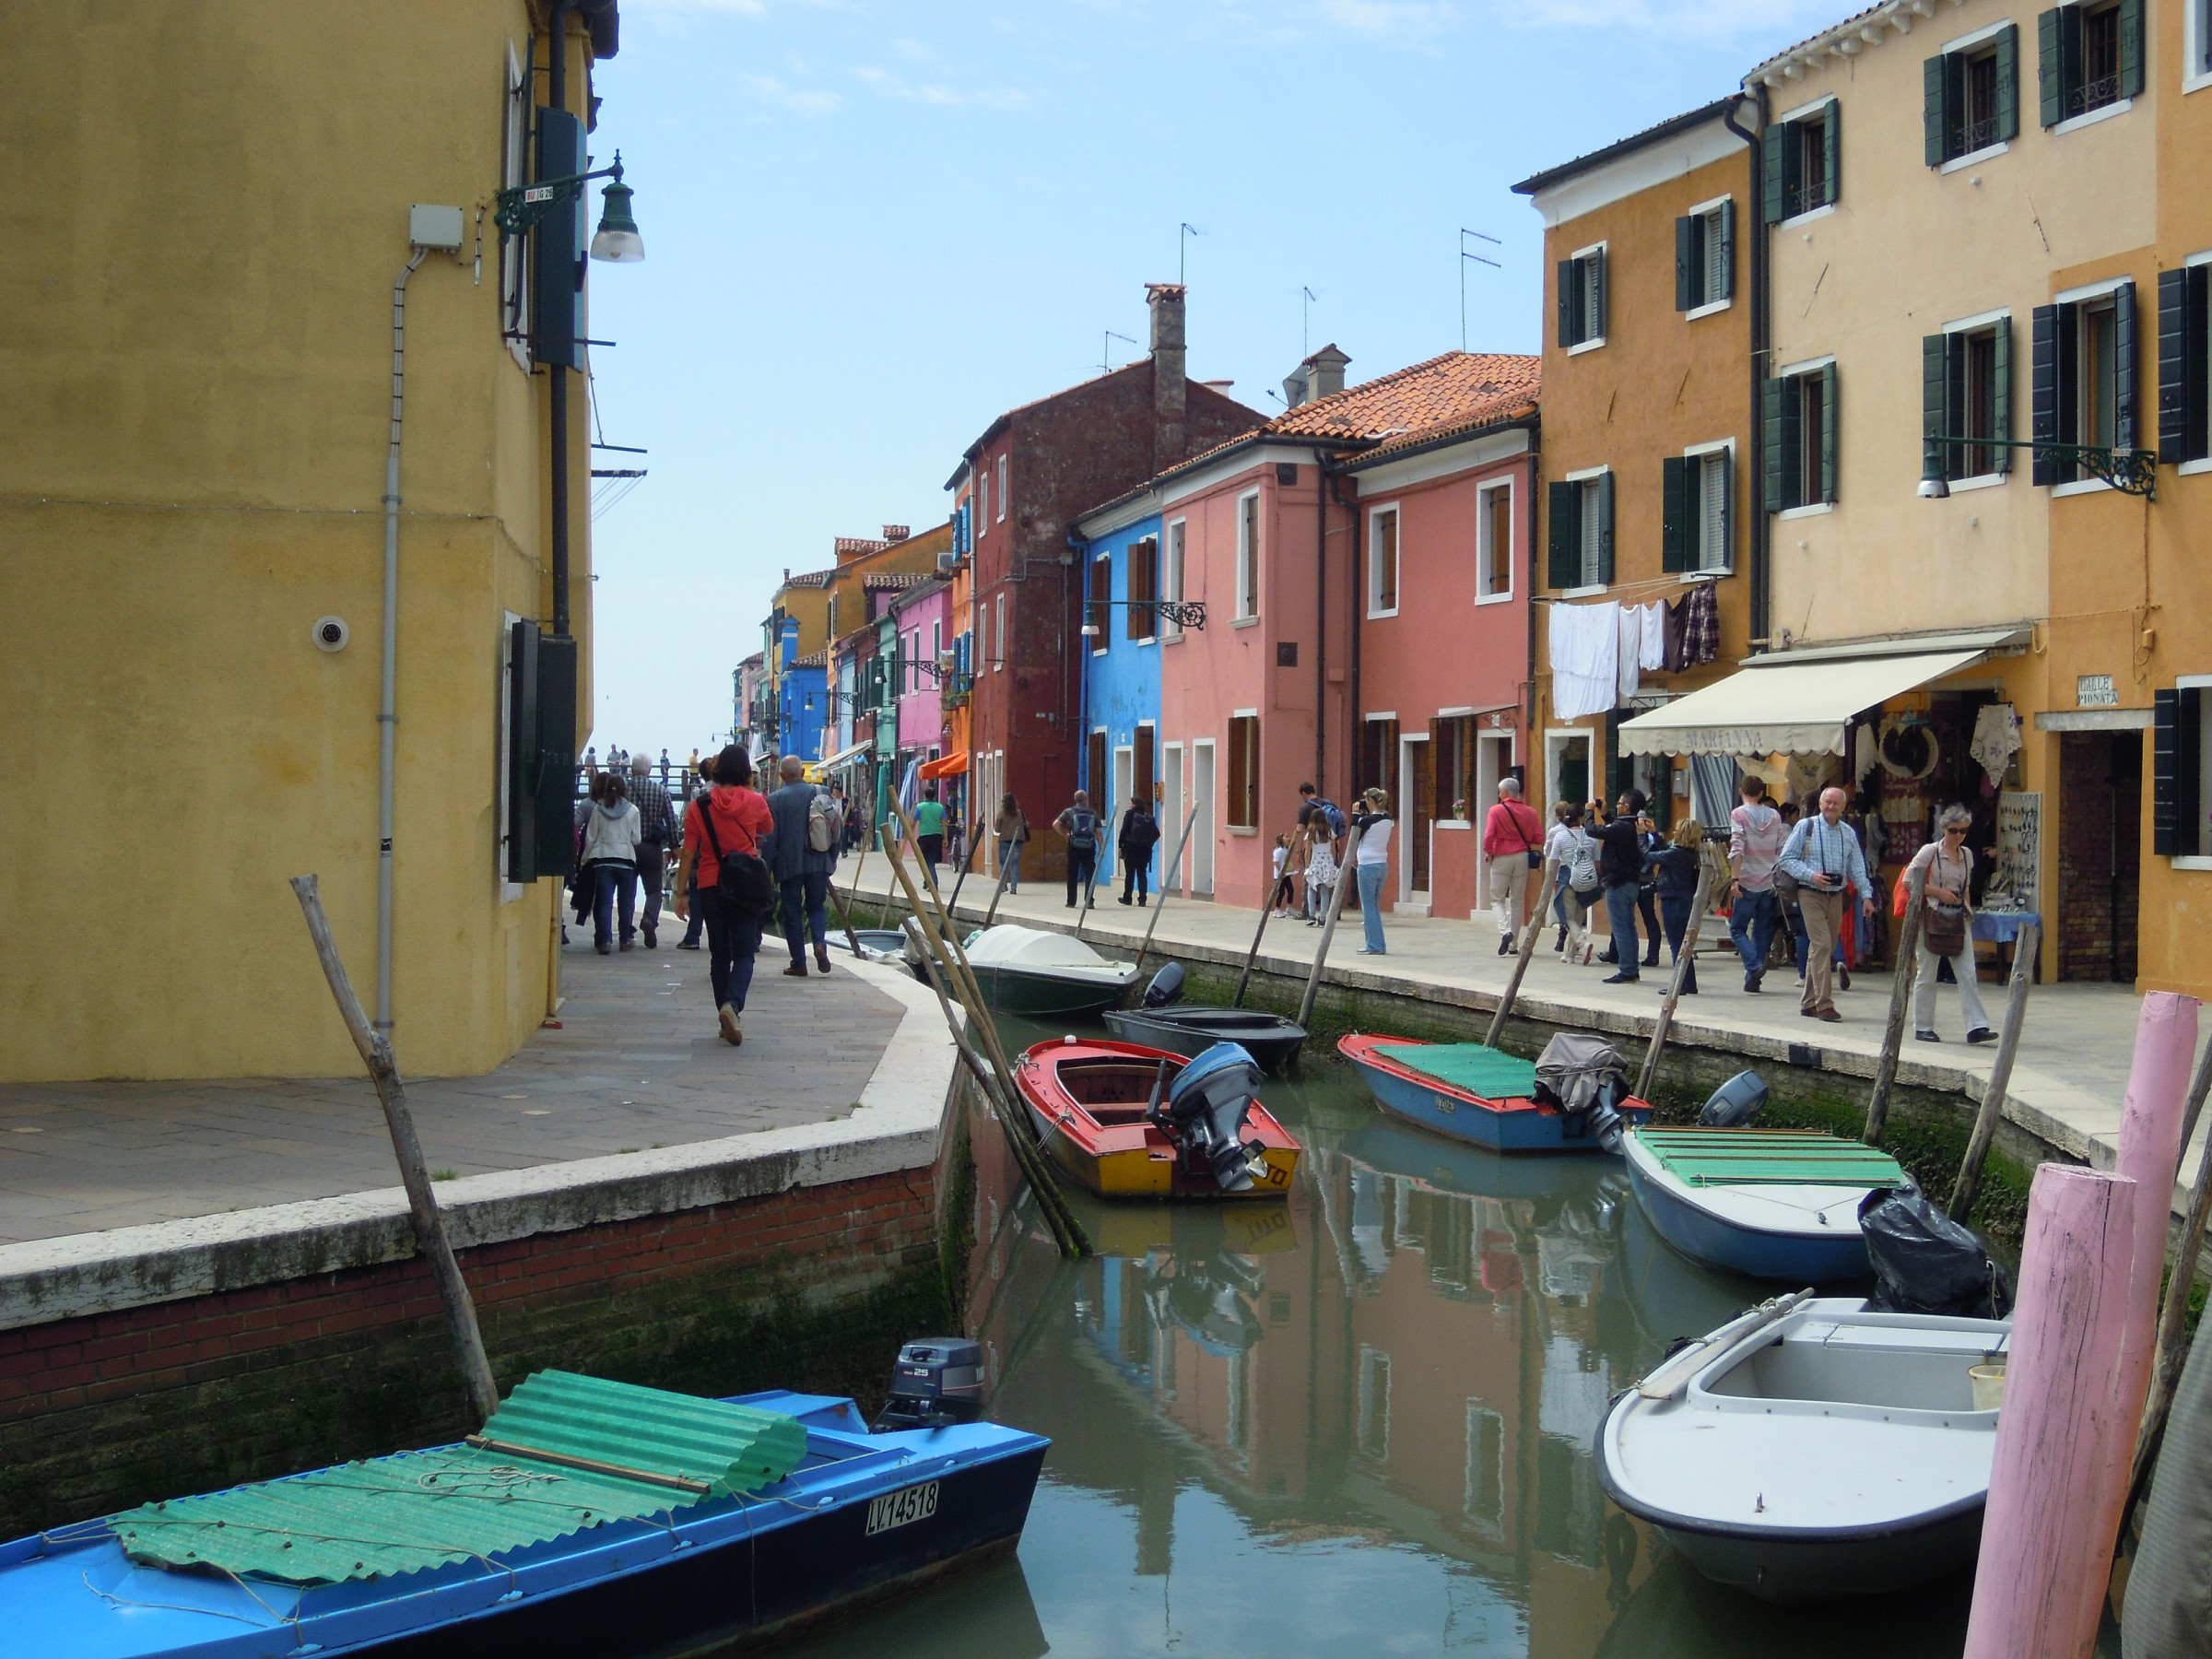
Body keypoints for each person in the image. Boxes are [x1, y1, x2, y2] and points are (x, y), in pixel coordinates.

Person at [672, 746, 775, 1047]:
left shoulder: (698, 806)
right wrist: (752, 791)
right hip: (743, 884)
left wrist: (681, 893)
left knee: (719, 955)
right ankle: (733, 1005)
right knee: (744, 954)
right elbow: (767, 827)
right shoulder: (755, 801)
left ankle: (724, 1013)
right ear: (746, 771)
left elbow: (689, 851)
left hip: (710, 885)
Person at [1777, 785, 1872, 1023]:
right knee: (1821, 944)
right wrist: (1811, 875)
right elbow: (1786, 859)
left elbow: (1857, 866)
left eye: (1835, 803)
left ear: (1843, 807)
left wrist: (1867, 896)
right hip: (1810, 893)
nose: (1831, 806)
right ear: (1820, 804)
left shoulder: (1848, 833)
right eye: (1827, 802)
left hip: (1836, 895)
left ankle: (1808, 1002)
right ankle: (1825, 1004)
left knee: (1823, 949)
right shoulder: (1805, 827)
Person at [1908, 805, 1996, 1044]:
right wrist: (1939, 892)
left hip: (1958, 918)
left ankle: (1977, 1026)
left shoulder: (1967, 854)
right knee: (1927, 973)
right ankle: (1923, 1025)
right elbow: (1908, 880)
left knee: (1967, 972)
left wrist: (1967, 911)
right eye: (1953, 830)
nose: (1957, 835)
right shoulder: (1930, 852)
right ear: (1943, 829)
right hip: (1932, 916)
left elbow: (1966, 887)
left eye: (1963, 831)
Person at [767, 756, 839, 978]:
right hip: (818, 860)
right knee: (816, 907)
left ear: (781, 776)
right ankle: (819, 943)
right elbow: (836, 827)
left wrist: (767, 869)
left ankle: (798, 962)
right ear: (802, 773)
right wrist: (832, 857)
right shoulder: (822, 793)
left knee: (792, 913)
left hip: (789, 866)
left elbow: (771, 838)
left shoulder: (774, 800)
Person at [1726, 775, 1786, 993]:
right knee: (1762, 930)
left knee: (1737, 929)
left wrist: (1735, 879)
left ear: (1741, 791)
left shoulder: (1738, 814)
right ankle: (1753, 979)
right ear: (1761, 793)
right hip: (1769, 880)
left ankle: (1754, 965)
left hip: (1747, 880)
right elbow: (1781, 847)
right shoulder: (1774, 815)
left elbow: (1737, 847)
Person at [1587, 790, 1649, 983]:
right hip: (1632, 882)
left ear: (1627, 807)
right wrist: (1605, 815)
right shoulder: (1632, 825)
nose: (1617, 805)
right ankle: (1631, 967)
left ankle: (1627, 969)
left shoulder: (1622, 827)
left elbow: (1593, 830)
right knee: (1629, 927)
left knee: (1621, 928)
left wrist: (1590, 812)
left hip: (1618, 882)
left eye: (1620, 803)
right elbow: (1613, 828)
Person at [578, 772, 642, 955]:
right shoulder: (633, 811)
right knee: (625, 902)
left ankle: (605, 941)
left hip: (603, 859)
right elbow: (637, 839)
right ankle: (625, 940)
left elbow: (591, 837)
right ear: (624, 790)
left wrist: (584, 860)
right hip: (626, 860)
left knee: (605, 902)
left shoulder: (598, 810)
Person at [1481, 777, 1545, 957]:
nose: (1499, 794)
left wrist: (1489, 851)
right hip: (1523, 857)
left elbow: (1488, 836)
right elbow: (1539, 838)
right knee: (1517, 901)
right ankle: (1514, 944)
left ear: (1506, 792)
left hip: (1501, 857)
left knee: (1497, 899)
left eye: (1500, 791)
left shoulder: (1496, 810)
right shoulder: (1531, 812)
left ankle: (1505, 931)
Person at [1648, 819, 1705, 994]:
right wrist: (1655, 834)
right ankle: (1690, 984)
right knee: (1684, 944)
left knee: (1676, 944)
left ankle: (1678, 985)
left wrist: (1642, 837)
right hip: (1686, 900)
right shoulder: (1690, 853)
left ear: (1682, 834)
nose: (1674, 832)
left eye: (1677, 830)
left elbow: (1650, 856)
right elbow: (1665, 849)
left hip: (1674, 900)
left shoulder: (1677, 854)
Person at [628, 754, 677, 950]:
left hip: (627, 847)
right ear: (649, 770)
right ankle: (649, 919)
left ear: (632, 769)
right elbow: (671, 822)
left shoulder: (623, 790)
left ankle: (626, 930)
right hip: (651, 846)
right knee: (654, 890)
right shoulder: (661, 791)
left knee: (627, 891)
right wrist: (674, 847)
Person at [1545, 803, 1596, 962]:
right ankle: (1569, 955)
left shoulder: (1560, 836)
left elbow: (1553, 862)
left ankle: (1583, 943)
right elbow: (1598, 862)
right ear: (1581, 818)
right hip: (1587, 879)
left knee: (1567, 917)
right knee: (1578, 918)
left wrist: (1550, 882)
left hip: (1567, 878)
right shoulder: (1591, 837)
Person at [1350, 788, 1394, 955]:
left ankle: (1374, 945)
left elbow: (1354, 836)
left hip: (1367, 865)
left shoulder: (1366, 821)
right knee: (1373, 906)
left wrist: (1355, 815)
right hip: (1382, 864)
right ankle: (1377, 943)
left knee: (1368, 907)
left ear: (1369, 801)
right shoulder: (1388, 819)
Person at [676, 755, 712, 950]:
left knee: (697, 893)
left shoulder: (698, 794)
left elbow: (689, 823)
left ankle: (693, 935)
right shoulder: (732, 792)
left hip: (700, 850)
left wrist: (680, 892)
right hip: (726, 853)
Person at [1054, 790, 1101, 908]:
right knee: (1089, 873)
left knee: (1072, 874)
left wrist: (1065, 834)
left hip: (1074, 846)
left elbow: (1055, 824)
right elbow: (1098, 832)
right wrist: (1101, 847)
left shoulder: (1069, 812)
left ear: (1076, 799)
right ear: (1086, 799)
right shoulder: (1093, 813)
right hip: (1089, 847)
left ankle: (1071, 901)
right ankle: (1089, 901)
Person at [1118, 795, 1160, 906]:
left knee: (1130, 875)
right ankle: (1142, 899)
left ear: (1135, 805)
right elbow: (1157, 834)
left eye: (1131, 803)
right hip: (1145, 850)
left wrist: (1120, 846)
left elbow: (1123, 831)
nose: (1129, 805)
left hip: (1130, 849)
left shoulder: (1129, 815)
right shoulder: (1148, 817)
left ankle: (1127, 898)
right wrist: (1149, 843)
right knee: (1142, 874)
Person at [1304, 809, 1341, 926]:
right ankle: (1323, 918)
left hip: (1315, 861)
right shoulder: (1329, 831)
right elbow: (1334, 848)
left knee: (1311, 888)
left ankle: (1311, 915)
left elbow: (1307, 851)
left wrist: (1307, 865)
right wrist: (1333, 862)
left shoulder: (1311, 832)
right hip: (1327, 860)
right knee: (1325, 891)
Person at [994, 793, 1029, 893]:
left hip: (1004, 841)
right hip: (1018, 841)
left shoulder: (1001, 814)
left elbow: (997, 829)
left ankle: (1003, 885)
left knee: (1003, 863)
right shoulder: (1019, 813)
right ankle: (1014, 887)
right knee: (1015, 864)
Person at [912, 782, 947, 876]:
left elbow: (914, 822)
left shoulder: (920, 807)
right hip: (937, 836)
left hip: (924, 836)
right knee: (931, 860)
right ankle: (927, 881)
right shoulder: (940, 807)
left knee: (927, 860)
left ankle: (932, 882)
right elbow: (944, 823)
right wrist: (945, 838)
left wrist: (910, 834)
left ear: (925, 796)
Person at [1269, 832, 1298, 916]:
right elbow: (1276, 862)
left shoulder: (1286, 849)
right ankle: (1277, 910)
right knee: (1281, 892)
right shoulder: (1279, 850)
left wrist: (1291, 870)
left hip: (1286, 874)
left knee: (1290, 890)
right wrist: (1281, 872)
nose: (1288, 838)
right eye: (1286, 837)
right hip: (1280, 875)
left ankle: (1289, 908)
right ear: (1281, 840)